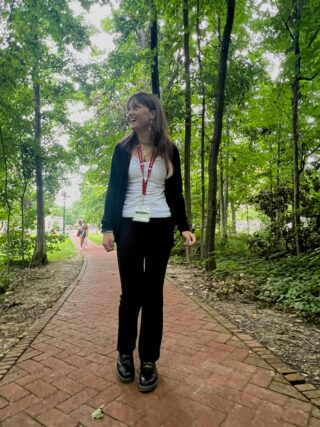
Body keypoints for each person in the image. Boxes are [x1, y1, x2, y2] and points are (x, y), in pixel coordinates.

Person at [101, 92, 196, 393]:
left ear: (152, 113)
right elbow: (113, 190)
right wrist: (107, 227)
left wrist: (183, 226)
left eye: (136, 108)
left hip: (160, 225)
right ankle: (125, 353)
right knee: (131, 293)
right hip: (129, 224)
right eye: (128, 109)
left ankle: (149, 360)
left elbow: (175, 192)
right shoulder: (122, 150)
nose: (130, 112)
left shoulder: (170, 150)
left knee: (153, 294)